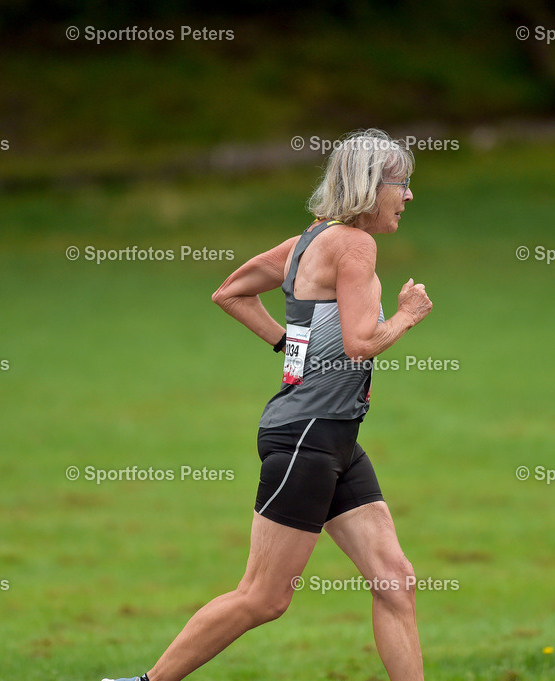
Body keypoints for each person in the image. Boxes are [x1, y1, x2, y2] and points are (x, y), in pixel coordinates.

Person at [104, 128, 432, 681]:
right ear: (373, 186)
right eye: (402, 184)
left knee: (394, 580)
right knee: (264, 598)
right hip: (307, 437)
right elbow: (359, 343)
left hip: (334, 437)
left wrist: (289, 346)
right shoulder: (355, 244)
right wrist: (405, 315)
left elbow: (229, 291)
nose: (408, 196)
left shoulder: (308, 240)